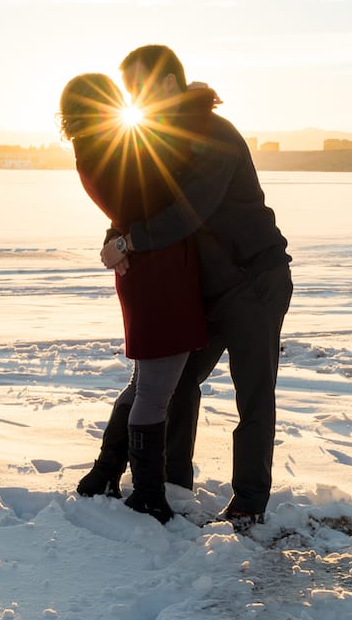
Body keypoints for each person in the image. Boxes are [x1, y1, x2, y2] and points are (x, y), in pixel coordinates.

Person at [99, 45, 292, 531]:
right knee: (179, 383)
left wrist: (128, 241)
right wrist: (113, 238)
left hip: (254, 281)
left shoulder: (215, 135)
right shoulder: (155, 138)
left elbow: (188, 212)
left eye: (137, 87)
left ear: (166, 85)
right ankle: (172, 482)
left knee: (253, 394)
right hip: (203, 290)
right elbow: (137, 198)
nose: (132, 98)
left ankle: (248, 501)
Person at [58, 73, 208, 524]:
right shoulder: (111, 149)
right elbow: (163, 188)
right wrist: (194, 106)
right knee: (155, 392)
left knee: (146, 384)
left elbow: (133, 203)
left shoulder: (94, 148)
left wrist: (117, 238)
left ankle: (105, 473)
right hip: (159, 275)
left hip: (149, 273)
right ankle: (146, 493)